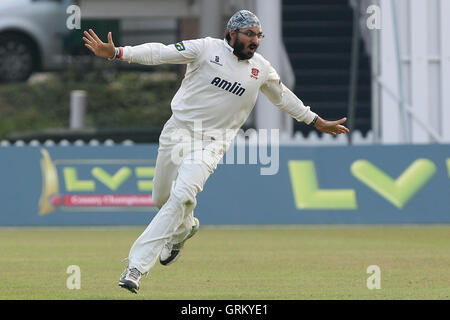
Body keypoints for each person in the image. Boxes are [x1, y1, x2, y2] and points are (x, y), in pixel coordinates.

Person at [82, 9, 349, 294]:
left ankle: (135, 267)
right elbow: (160, 52)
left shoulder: (261, 69)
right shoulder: (206, 48)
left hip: (212, 143)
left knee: (184, 195)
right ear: (231, 33)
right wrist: (118, 53)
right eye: (249, 34)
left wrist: (316, 121)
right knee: (162, 200)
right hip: (177, 133)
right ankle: (184, 230)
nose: (255, 40)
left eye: (258, 35)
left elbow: (284, 98)